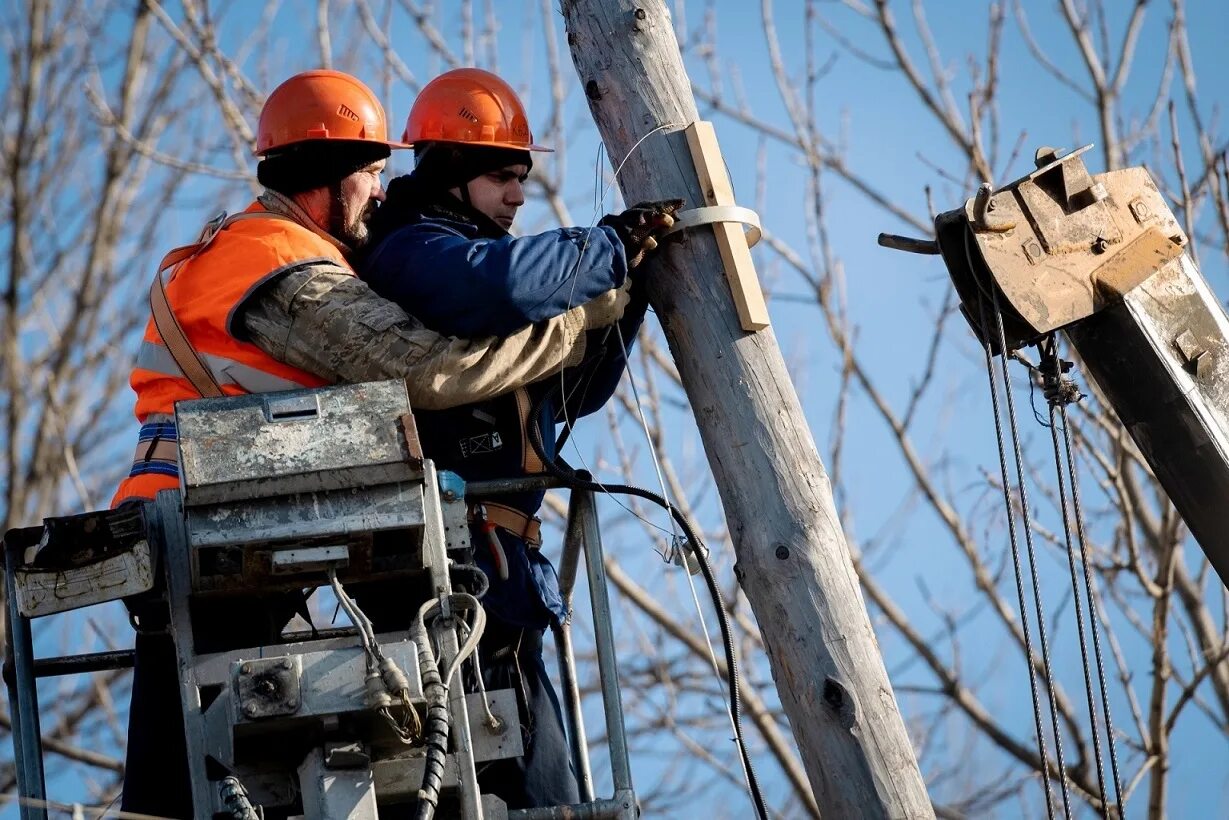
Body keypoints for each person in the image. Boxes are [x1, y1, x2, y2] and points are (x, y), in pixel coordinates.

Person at [114, 69, 631, 818]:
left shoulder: (251, 251)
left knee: (198, 755)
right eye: (373, 173)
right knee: (193, 756)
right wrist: (577, 320)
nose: (383, 193)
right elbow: (431, 369)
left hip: (213, 522)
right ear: (328, 177)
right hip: (207, 521)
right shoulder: (280, 265)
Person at [359, 67, 681, 809]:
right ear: (448, 172)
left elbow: (577, 392)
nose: (517, 195)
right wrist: (604, 249)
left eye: (522, 178)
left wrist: (621, 300)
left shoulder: (480, 261)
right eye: (503, 176)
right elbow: (495, 287)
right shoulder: (408, 250)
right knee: (480, 788)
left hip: (499, 581)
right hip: (441, 579)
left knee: (542, 791)